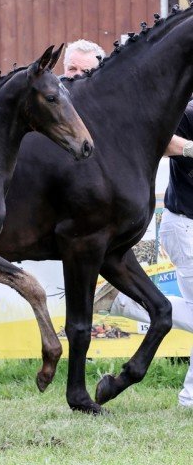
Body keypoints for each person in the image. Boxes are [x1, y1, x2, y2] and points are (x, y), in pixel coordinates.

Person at [64, 40, 193, 408]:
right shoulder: (187, 111)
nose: (75, 78)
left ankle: (123, 301)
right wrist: (190, 149)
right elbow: (158, 136)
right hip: (184, 224)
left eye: (82, 70)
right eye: (71, 69)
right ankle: (125, 303)